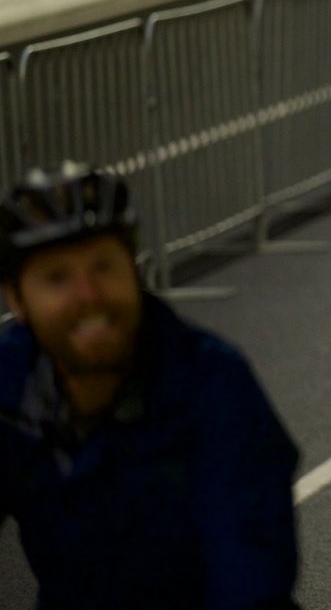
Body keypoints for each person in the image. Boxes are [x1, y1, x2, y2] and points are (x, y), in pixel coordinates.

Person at [0, 162, 300, 609]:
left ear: (134, 272)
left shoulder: (210, 384)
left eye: (104, 267)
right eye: (57, 278)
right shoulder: (9, 386)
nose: (88, 296)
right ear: (16, 301)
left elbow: (250, 571)